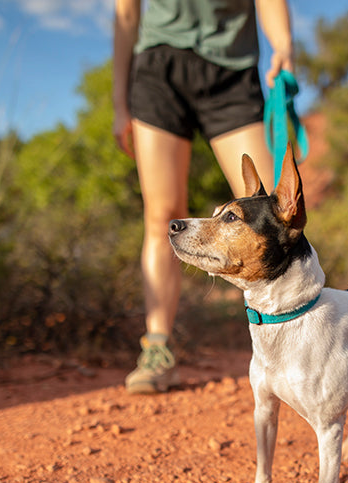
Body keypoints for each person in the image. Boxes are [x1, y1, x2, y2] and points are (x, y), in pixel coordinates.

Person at [112, 0, 294, 394]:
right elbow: (127, 12)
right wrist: (118, 100)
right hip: (158, 69)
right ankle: (157, 349)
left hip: (231, 68)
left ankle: (298, 345)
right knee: (162, 214)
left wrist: (284, 46)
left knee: (270, 206)